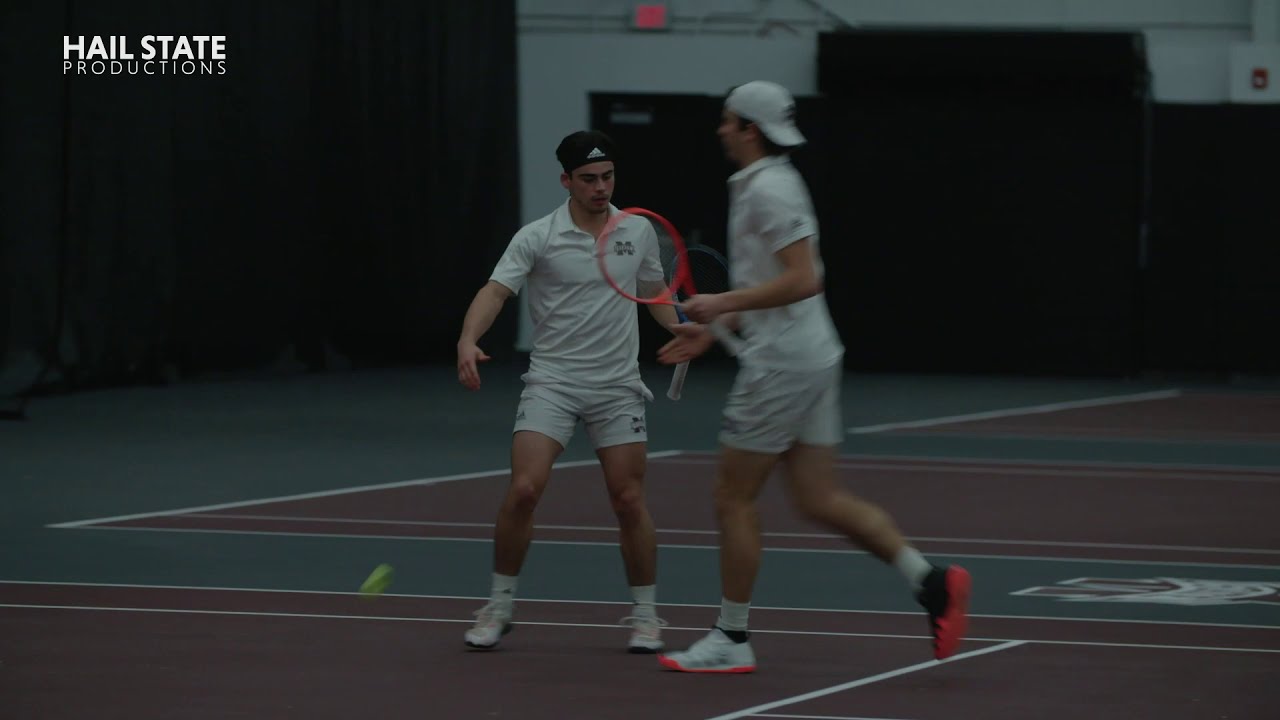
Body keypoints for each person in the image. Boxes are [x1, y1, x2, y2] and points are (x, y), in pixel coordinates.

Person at [654, 82, 971, 673]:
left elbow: (804, 279)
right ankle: (929, 582)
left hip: (784, 364)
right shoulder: (767, 182)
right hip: (810, 353)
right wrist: (717, 327)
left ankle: (731, 639)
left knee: (732, 496)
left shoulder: (770, 190)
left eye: (727, 121)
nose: (720, 129)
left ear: (750, 128)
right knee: (818, 498)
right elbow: (780, 284)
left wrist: (721, 304)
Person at [455, 130, 678, 653]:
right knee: (525, 490)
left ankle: (646, 615)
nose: (600, 187)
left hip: (617, 386)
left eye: (607, 177)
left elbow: (653, 294)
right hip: (552, 382)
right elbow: (495, 291)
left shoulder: (637, 231)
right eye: (588, 179)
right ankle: (499, 604)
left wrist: (679, 328)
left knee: (627, 500)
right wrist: (469, 339)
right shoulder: (538, 236)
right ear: (566, 181)